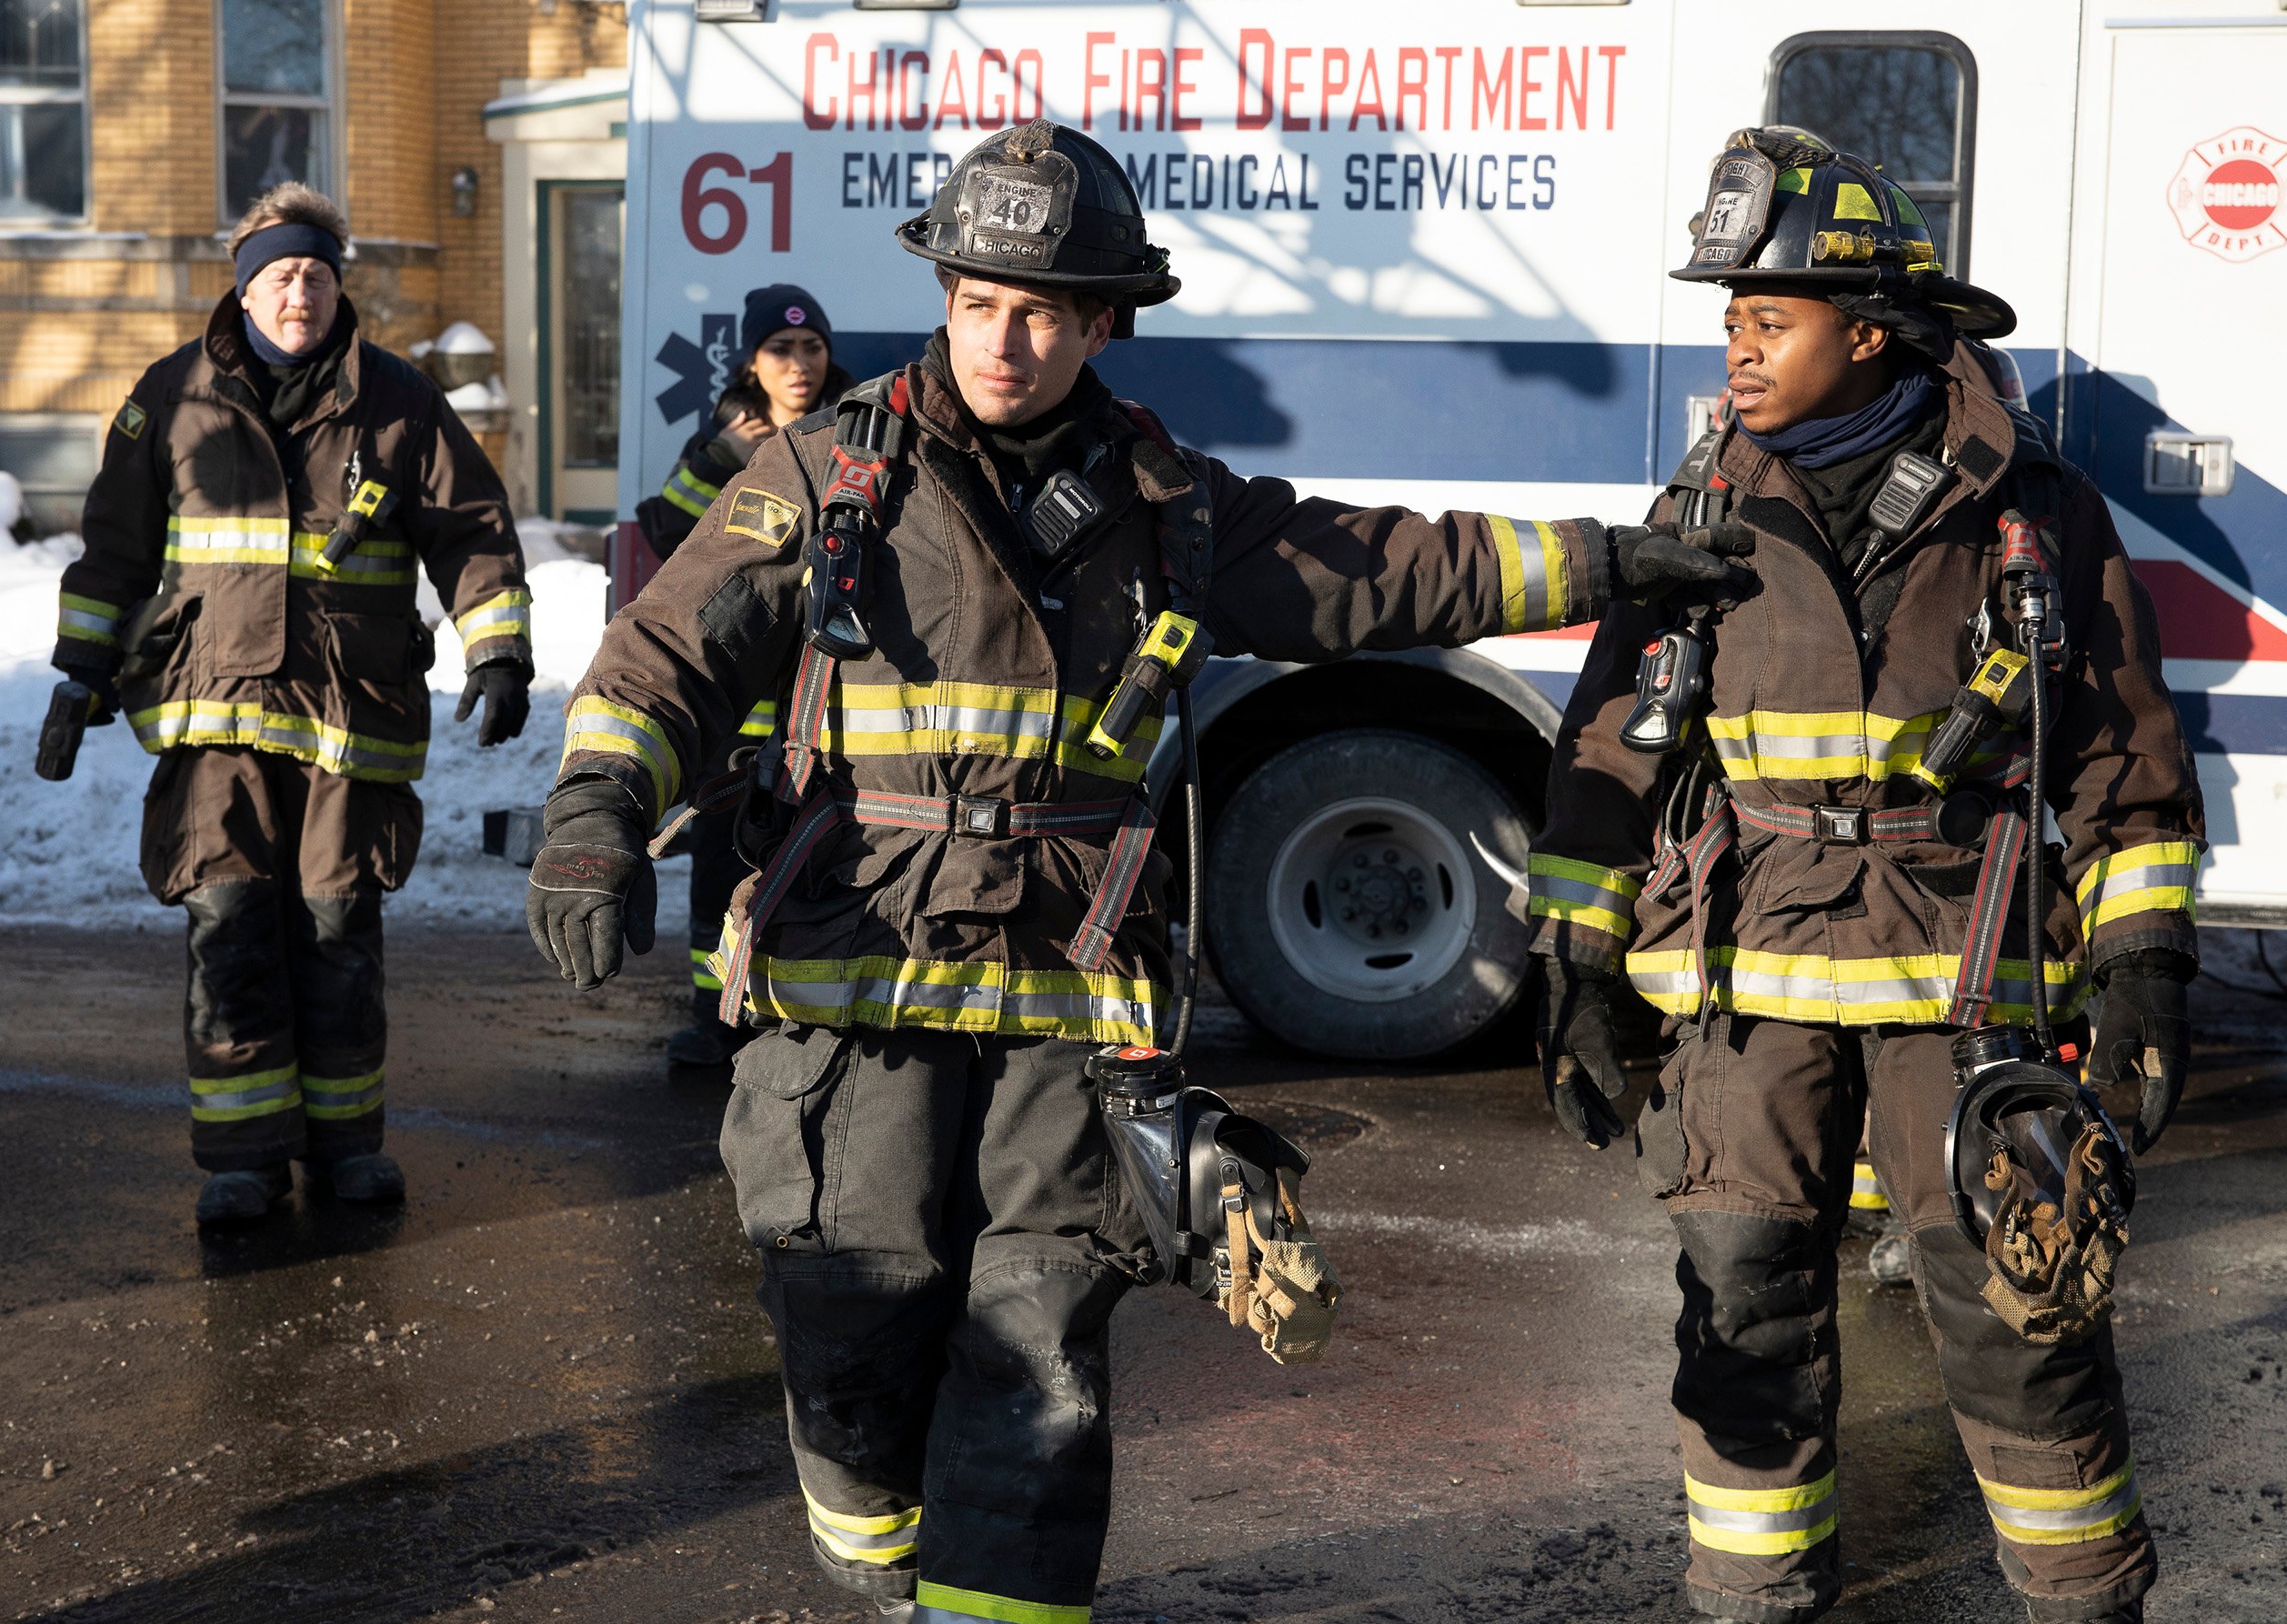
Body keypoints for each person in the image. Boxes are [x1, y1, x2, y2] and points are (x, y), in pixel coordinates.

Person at [525, 119, 1743, 1623]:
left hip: (1065, 1010)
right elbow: (667, 657)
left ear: (1106, 321)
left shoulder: (1168, 509)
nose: (1003, 339)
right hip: (858, 1004)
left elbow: (1380, 567)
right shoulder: (823, 477)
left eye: (1040, 310)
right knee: (848, 1333)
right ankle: (880, 1577)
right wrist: (594, 810)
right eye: (975, 300)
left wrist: (1609, 566)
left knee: (1038, 1351)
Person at [1530, 126, 2199, 1623]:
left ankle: (2084, 1601)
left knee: (2022, 1319)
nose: (1735, 350)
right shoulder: (1699, 514)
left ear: (1872, 329)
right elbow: (1611, 757)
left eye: (1768, 320)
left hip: (1966, 995)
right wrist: (1573, 968)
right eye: (1729, 321)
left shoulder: (2033, 517)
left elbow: (2127, 775)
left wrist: (2147, 972)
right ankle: (1756, 1606)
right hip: (1745, 999)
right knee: (1741, 1317)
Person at [50, 182, 533, 1226]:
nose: (299, 292)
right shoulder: (171, 396)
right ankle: (243, 1156)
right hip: (210, 714)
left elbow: (473, 531)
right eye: (279, 274)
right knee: (228, 929)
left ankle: (347, 1146)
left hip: (346, 722)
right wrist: (79, 670)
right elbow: (115, 549)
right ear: (244, 287)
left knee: (336, 929)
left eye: (316, 272)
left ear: (336, 282)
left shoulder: (398, 400)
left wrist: (499, 650)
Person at [630, 283, 851, 1069]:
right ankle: (713, 1015)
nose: (799, 365)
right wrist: (726, 457)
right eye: (781, 351)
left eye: (811, 348)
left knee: (822, 862)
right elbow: (676, 544)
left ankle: (798, 1017)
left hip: (827, 705)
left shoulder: (859, 432)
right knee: (725, 868)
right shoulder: (725, 441)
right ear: (753, 364)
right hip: (739, 711)